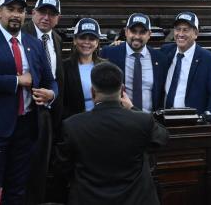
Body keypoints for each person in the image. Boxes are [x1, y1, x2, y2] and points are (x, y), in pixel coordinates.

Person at [0, 0, 57, 204]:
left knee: (18, 187)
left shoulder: (34, 43)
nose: (16, 15)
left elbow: (50, 80)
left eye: (20, 10)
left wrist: (51, 94)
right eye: (10, 9)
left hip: (27, 127)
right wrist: (17, 81)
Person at [55, 62, 169, 205]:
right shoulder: (142, 120)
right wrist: (132, 108)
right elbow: (163, 138)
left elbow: (62, 166)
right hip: (136, 199)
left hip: (89, 198)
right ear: (122, 91)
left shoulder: (72, 125)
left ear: (92, 92)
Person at [21, 0, 64, 204]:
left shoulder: (56, 38)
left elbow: (55, 78)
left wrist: (52, 95)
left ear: (58, 18)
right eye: (42, 12)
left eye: (52, 14)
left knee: (40, 171)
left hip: (47, 114)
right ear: (33, 13)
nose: (46, 17)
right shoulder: (21, 34)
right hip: (23, 114)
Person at [161, 11, 211, 121]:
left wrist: (207, 122)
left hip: (193, 122)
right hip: (164, 119)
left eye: (185, 30)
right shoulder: (165, 51)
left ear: (196, 33)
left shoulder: (209, 59)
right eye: (177, 29)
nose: (180, 34)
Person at [100, 13, 167, 112]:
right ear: (126, 32)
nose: (137, 36)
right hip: (119, 119)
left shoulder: (160, 58)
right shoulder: (110, 53)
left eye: (142, 32)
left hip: (150, 120)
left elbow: (161, 93)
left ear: (149, 34)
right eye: (133, 31)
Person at [63, 18, 105, 118]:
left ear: (97, 42)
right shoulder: (64, 67)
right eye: (82, 38)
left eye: (91, 39)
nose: (86, 42)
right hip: (75, 124)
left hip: (101, 122)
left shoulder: (106, 67)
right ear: (74, 40)